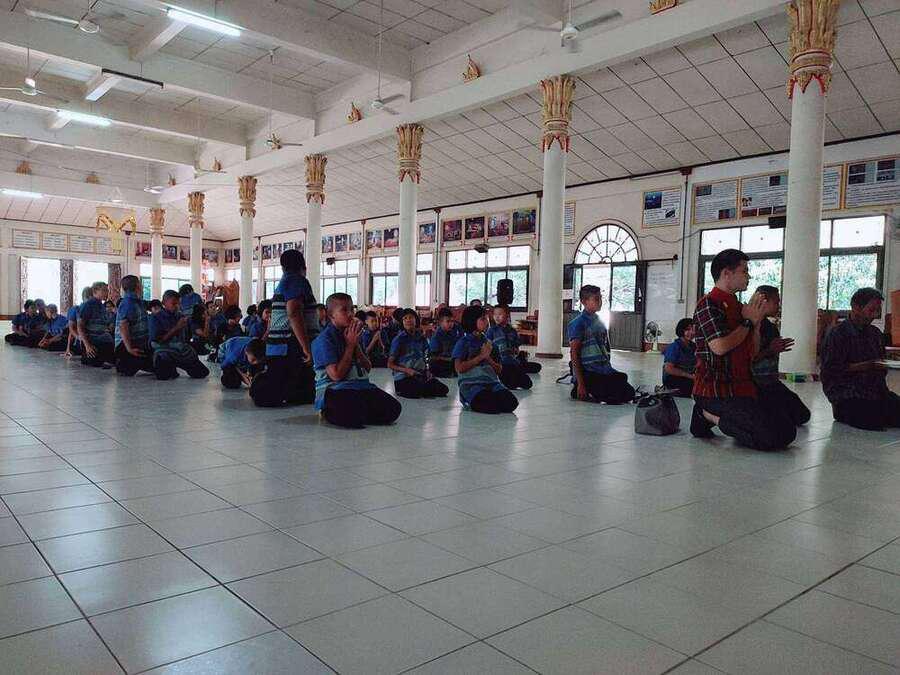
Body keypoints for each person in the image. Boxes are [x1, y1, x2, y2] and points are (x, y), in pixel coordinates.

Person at [691, 249, 795, 451]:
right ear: (726, 273)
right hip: (715, 390)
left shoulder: (741, 307)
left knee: (788, 429)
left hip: (743, 386)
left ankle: (727, 419)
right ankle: (705, 414)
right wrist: (748, 322)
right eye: (744, 271)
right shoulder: (708, 304)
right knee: (768, 437)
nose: (749, 276)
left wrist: (756, 322)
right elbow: (720, 347)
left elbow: (752, 353)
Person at [312, 293, 402, 428]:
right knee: (354, 414)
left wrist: (356, 345)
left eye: (352, 309)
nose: (350, 314)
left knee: (394, 409)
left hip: (360, 387)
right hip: (336, 390)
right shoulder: (324, 339)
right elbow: (336, 376)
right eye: (344, 310)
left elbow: (368, 368)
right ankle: (328, 410)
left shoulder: (354, 334)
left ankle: (358, 411)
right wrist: (350, 346)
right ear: (331, 315)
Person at [821, 287, 899, 430]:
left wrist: (886, 363)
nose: (875, 315)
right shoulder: (838, 334)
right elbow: (830, 371)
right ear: (856, 307)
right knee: (873, 419)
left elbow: (880, 363)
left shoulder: (875, 334)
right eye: (871, 310)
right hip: (847, 395)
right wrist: (866, 366)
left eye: (878, 310)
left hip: (875, 392)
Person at [252, 249, 318, 407]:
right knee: (300, 391)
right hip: (289, 345)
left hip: (281, 346)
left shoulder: (285, 281)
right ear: (304, 267)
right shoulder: (297, 280)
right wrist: (306, 348)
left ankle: (265, 388)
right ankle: (262, 389)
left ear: (282, 267)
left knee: (301, 391)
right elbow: (293, 312)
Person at [751, 286, 810, 427]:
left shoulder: (770, 328)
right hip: (753, 384)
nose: (779, 306)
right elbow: (745, 360)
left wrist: (774, 350)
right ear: (764, 301)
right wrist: (769, 351)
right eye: (776, 302)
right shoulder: (747, 325)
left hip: (771, 383)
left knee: (802, 415)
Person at [568, 285, 635, 404]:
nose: (600, 302)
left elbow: (605, 349)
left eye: (600, 298)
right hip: (588, 372)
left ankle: (597, 389)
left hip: (601, 370)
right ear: (584, 302)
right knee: (617, 394)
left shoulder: (599, 322)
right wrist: (581, 383)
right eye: (596, 299)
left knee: (628, 389)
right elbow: (574, 354)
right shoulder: (578, 324)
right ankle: (580, 387)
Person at [452, 305, 518, 414]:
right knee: (491, 405)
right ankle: (471, 400)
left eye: (487, 318)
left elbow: (499, 370)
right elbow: (459, 368)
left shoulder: (490, 344)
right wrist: (480, 357)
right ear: (472, 321)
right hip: (471, 385)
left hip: (491, 383)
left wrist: (488, 358)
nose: (487, 322)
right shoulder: (463, 342)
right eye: (483, 319)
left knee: (511, 403)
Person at [148, 290, 209, 380]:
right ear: (164, 303)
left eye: (179, 304)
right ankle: (170, 365)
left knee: (202, 373)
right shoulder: (155, 317)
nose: (177, 306)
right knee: (163, 376)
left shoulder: (180, 316)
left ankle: (176, 364)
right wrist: (177, 328)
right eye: (174, 304)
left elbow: (187, 338)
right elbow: (158, 341)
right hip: (163, 349)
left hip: (180, 350)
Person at [388, 308, 449, 399]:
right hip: (403, 377)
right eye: (405, 318)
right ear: (402, 322)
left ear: (416, 320)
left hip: (419, 374)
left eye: (411, 317)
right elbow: (390, 364)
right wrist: (407, 370)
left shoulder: (421, 338)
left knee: (444, 389)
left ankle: (424, 387)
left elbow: (426, 357)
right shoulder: (399, 340)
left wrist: (427, 371)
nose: (408, 320)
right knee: (418, 390)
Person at [486, 305, 541, 390]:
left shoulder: (513, 331)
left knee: (528, 383)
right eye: (495, 314)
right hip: (500, 364)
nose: (497, 317)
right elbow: (488, 348)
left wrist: (516, 354)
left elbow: (516, 348)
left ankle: (517, 371)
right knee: (511, 383)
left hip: (513, 362)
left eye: (500, 314)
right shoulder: (492, 330)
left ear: (507, 315)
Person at [114, 275, 155, 377]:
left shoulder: (138, 302)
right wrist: (129, 349)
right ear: (138, 286)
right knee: (160, 367)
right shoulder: (128, 303)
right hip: (127, 345)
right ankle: (123, 362)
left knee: (161, 365)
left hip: (139, 342)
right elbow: (123, 326)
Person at [78, 282, 116, 367]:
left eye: (107, 290)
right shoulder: (88, 305)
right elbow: (80, 326)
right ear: (95, 291)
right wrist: (87, 345)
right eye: (104, 290)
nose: (107, 293)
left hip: (104, 341)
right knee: (95, 363)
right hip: (92, 342)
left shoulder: (101, 306)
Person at [662, 318, 697, 397]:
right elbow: (669, 369)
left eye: (693, 329)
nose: (691, 332)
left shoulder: (693, 346)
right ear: (681, 330)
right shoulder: (674, 347)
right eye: (687, 330)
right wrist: (690, 376)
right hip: (673, 378)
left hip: (688, 376)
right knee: (690, 385)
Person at [428, 308, 460, 378]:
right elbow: (433, 357)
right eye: (448, 321)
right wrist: (449, 359)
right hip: (443, 361)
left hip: (454, 359)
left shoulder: (455, 330)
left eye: (452, 321)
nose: (451, 324)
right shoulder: (436, 336)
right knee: (434, 365)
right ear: (440, 322)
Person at [63, 288, 90, 357]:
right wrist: (79, 338)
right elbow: (71, 329)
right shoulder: (76, 309)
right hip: (79, 340)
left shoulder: (95, 308)